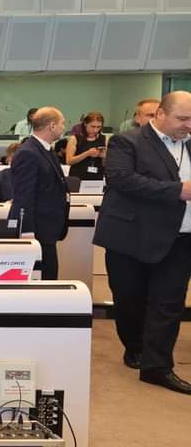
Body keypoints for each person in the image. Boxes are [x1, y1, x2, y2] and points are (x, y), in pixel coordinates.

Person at [94, 91, 191, 394]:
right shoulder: (127, 142)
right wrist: (177, 190)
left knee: (169, 304)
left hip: (180, 238)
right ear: (160, 114)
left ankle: (157, 367)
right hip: (131, 238)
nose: (188, 125)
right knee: (129, 300)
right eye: (182, 118)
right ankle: (135, 346)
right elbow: (122, 179)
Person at [10, 106, 69, 280]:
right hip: (37, 229)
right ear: (52, 125)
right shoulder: (28, 153)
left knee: (50, 276)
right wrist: (27, 231)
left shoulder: (45, 150)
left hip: (48, 228)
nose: (64, 127)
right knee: (44, 278)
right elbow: (24, 196)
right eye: (62, 123)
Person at [66, 111, 108, 181]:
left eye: (99, 127)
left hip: (97, 177)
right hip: (78, 177)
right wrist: (87, 153)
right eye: (93, 126)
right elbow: (69, 161)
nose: (95, 130)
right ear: (85, 124)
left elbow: (105, 164)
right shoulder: (74, 139)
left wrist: (104, 157)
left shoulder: (104, 138)